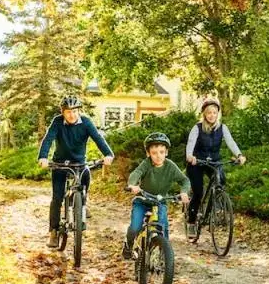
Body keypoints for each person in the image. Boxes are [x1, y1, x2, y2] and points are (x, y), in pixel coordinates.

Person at [37, 96, 114, 247]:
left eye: (74, 111)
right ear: (63, 112)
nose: (71, 115)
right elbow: (48, 139)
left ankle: (81, 203)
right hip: (59, 163)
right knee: (57, 197)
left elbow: (98, 138)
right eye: (68, 112)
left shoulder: (86, 122)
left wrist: (108, 154)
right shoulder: (57, 122)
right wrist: (43, 157)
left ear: (79, 110)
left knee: (86, 175)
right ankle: (53, 231)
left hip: (78, 163)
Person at [184, 99, 245, 239]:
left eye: (214, 112)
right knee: (198, 192)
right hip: (197, 162)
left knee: (221, 180)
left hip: (214, 161)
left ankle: (216, 208)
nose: (211, 115)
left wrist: (239, 155)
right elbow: (191, 143)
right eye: (209, 113)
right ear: (204, 114)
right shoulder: (197, 128)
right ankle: (192, 222)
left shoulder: (222, 128)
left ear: (218, 113)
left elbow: (230, 141)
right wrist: (190, 156)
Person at [124, 132, 191, 259]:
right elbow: (136, 173)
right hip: (142, 200)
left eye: (161, 152)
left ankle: (163, 255)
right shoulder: (146, 164)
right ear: (148, 153)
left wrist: (184, 192)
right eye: (154, 153)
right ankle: (128, 244)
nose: (158, 156)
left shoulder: (170, 166)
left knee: (163, 227)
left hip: (160, 202)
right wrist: (132, 184)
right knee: (135, 226)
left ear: (166, 152)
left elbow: (184, 180)